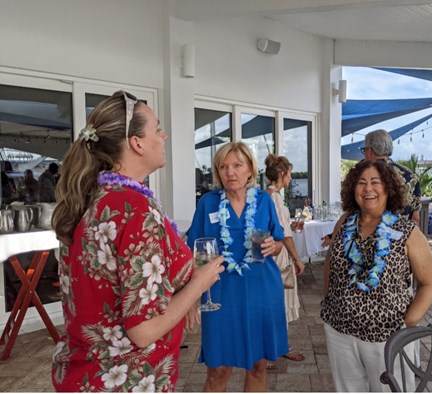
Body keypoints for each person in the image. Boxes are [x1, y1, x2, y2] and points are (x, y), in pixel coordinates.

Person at [50, 90, 224, 392]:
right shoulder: (134, 210)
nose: (164, 135)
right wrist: (200, 281)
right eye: (157, 128)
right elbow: (142, 332)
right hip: (127, 380)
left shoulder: (94, 198)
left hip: (87, 374)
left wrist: (180, 300)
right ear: (137, 143)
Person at [320, 160, 432, 392]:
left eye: (375, 182)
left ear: (388, 188)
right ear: (353, 189)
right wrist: (330, 301)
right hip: (340, 331)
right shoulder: (344, 222)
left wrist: (408, 323)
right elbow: (330, 264)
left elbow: (429, 283)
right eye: (361, 183)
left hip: (387, 336)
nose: (368, 189)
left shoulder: (407, 231)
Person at [186, 141, 288, 392]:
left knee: (257, 366)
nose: (230, 172)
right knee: (218, 369)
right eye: (223, 166)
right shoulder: (208, 203)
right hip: (220, 292)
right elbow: (196, 252)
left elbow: (278, 241)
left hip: (261, 289)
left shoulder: (264, 200)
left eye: (237, 165)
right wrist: (191, 296)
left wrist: (273, 247)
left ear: (250, 170)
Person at [264, 153, 306, 369]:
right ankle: (274, 349)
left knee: (276, 300)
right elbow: (284, 235)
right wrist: (297, 259)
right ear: (282, 174)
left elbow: (281, 228)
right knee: (279, 301)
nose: (291, 178)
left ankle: (277, 346)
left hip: (272, 252)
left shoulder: (268, 196)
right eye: (289, 174)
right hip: (278, 255)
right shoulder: (275, 198)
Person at [362, 129, 421, 224]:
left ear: (369, 151)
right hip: (404, 234)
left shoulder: (365, 174)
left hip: (375, 234)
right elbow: (415, 217)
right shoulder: (410, 174)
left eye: (364, 150)